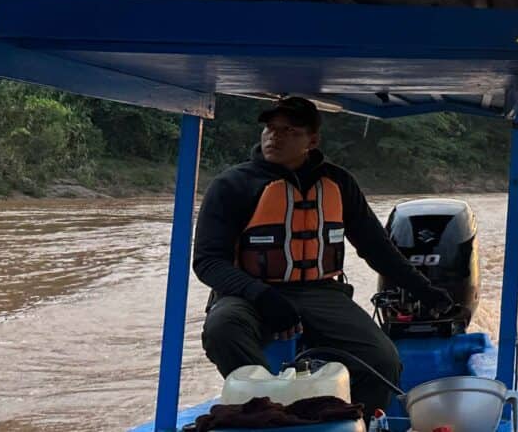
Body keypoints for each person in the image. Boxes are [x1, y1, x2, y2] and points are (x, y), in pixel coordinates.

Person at [193, 96, 452, 414]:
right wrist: (261, 296)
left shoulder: (339, 183)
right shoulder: (232, 185)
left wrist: (424, 290)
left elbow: (377, 248)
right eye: (271, 129)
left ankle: (353, 420)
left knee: (382, 359)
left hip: (320, 292)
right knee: (222, 329)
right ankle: (266, 411)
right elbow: (208, 261)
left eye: (289, 131)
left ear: (311, 140)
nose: (274, 136)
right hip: (249, 292)